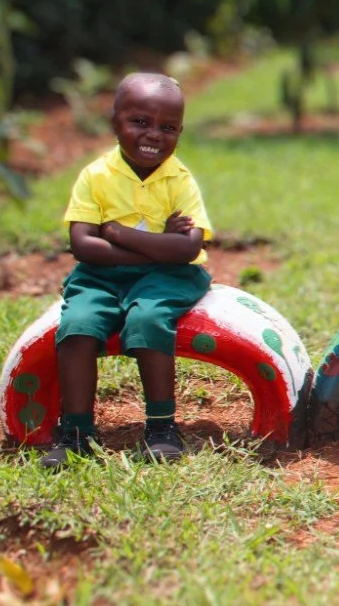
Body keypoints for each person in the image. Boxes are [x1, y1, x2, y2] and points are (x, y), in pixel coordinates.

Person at [40, 73, 213, 470]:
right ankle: (77, 433)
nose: (154, 134)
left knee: (149, 317)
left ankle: (161, 429)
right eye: (140, 121)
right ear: (114, 121)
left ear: (180, 132)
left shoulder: (180, 180)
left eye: (168, 127)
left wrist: (115, 234)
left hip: (169, 278)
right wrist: (157, 248)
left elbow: (188, 248)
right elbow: (82, 245)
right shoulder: (96, 176)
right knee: (78, 324)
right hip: (98, 276)